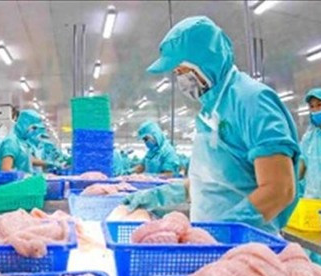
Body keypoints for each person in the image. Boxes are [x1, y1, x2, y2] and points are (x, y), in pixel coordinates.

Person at [126, 16, 299, 233]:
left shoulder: (251, 101)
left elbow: (279, 189)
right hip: (211, 242)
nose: (179, 78)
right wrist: (159, 196)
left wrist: (223, 230)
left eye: (181, 70)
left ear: (202, 62)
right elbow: (210, 182)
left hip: (246, 242)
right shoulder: (211, 110)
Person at [0, 109, 43, 173]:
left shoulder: (24, 143)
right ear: (24, 125)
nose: (35, 131)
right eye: (33, 128)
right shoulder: (11, 142)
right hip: (16, 180)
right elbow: (6, 172)